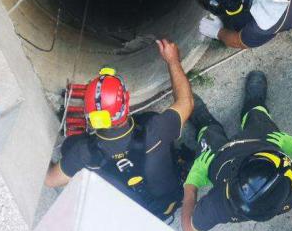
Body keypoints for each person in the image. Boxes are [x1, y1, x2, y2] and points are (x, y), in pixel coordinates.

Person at [44, 39, 194, 220]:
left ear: (89, 113)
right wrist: (172, 60)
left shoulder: (83, 152)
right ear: (127, 99)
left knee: (68, 146)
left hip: (135, 217)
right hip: (168, 204)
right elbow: (186, 102)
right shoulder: (155, 127)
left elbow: (50, 180)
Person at [180, 71, 292, 231]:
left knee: (209, 134)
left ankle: (205, 122)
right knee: (258, 116)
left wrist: (191, 184)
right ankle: (254, 105)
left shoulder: (219, 205)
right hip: (262, 140)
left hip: (219, 161)